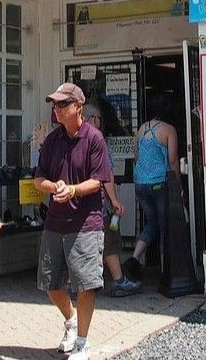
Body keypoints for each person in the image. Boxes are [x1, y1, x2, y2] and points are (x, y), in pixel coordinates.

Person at [33, 83, 112, 360]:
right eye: (54, 104)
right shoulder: (52, 141)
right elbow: (38, 178)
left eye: (62, 104)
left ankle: (82, 342)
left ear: (78, 107)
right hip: (55, 222)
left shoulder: (94, 138)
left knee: (85, 284)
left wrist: (74, 189)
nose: (56, 109)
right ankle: (71, 320)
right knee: (50, 283)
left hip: (86, 222)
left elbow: (99, 179)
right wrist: (54, 187)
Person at [81, 101, 139, 297]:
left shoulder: (73, 140)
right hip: (98, 202)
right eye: (92, 118)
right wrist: (114, 199)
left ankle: (79, 283)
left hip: (79, 202)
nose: (96, 122)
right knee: (110, 241)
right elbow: (107, 173)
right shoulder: (98, 141)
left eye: (98, 118)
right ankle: (118, 281)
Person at [121, 94, 180, 283]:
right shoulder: (169, 130)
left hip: (141, 184)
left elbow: (136, 157)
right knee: (164, 225)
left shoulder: (141, 129)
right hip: (159, 184)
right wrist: (178, 183)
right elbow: (172, 160)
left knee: (151, 223)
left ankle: (134, 258)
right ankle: (165, 272)